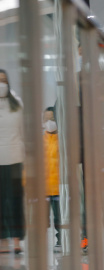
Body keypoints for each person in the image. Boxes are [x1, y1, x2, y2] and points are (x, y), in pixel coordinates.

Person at [0, 69, 25, 254]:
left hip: (15, 158)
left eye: (4, 80)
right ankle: (2, 241)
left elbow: (24, 131)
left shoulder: (17, 103)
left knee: (15, 200)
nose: (2, 84)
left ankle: (16, 239)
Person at [43, 107, 62, 252]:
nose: (49, 122)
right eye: (46, 119)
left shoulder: (62, 139)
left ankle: (60, 240)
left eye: (52, 119)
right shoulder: (40, 139)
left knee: (59, 218)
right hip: (43, 187)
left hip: (58, 186)